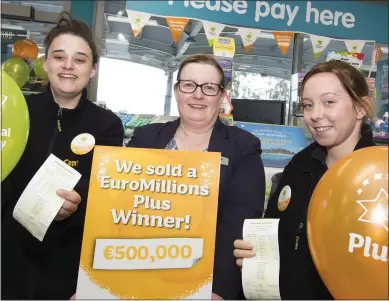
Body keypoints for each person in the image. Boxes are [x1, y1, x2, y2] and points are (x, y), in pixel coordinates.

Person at [1, 13, 124, 299]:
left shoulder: (107, 125)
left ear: (92, 69)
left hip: (67, 261)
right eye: (59, 57)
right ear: (46, 64)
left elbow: (105, 191)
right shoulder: (15, 111)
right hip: (9, 254)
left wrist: (78, 200)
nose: (68, 65)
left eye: (80, 60)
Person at [126, 54, 266, 299]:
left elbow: (238, 225)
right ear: (177, 90)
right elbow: (116, 206)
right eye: (189, 85)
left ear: (222, 96)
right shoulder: (145, 138)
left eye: (209, 88)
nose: (198, 95)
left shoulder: (243, 147)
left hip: (205, 283)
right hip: (137, 272)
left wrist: (217, 290)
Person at [233, 60, 375, 300]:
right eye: (308, 105)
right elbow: (277, 235)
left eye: (329, 102)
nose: (315, 115)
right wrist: (252, 256)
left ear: (361, 107)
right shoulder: (300, 165)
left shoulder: (379, 176)